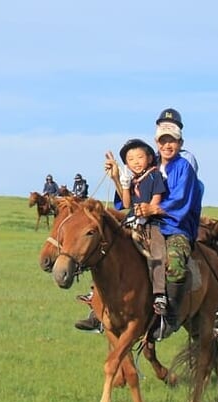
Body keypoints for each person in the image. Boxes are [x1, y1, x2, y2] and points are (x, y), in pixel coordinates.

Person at [74, 118, 203, 341]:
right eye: (163, 141)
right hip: (145, 224)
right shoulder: (149, 167)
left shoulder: (184, 167)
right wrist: (116, 176)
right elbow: (129, 201)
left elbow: (182, 199)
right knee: (110, 251)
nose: (167, 145)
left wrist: (153, 208)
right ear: (156, 143)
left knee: (175, 264)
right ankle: (100, 308)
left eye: (172, 140)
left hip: (174, 226)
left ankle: (170, 317)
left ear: (180, 143)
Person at [107, 139, 169, 315]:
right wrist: (121, 182)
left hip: (151, 223)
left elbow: (156, 199)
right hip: (131, 222)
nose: (136, 162)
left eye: (139, 157)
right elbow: (126, 203)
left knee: (157, 253)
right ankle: (97, 293)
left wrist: (147, 211)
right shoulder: (132, 180)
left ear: (149, 158)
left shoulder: (154, 175)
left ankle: (159, 294)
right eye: (131, 159)